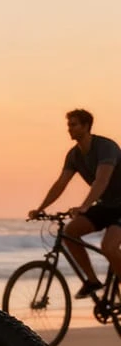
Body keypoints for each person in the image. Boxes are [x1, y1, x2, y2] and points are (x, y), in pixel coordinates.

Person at [29, 108, 121, 298]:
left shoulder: (106, 147)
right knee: (70, 232)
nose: (69, 129)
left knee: (109, 247)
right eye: (68, 125)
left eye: (74, 125)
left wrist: (85, 205)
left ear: (86, 126)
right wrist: (40, 209)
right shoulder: (74, 155)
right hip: (106, 205)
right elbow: (60, 183)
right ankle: (92, 281)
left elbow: (102, 180)